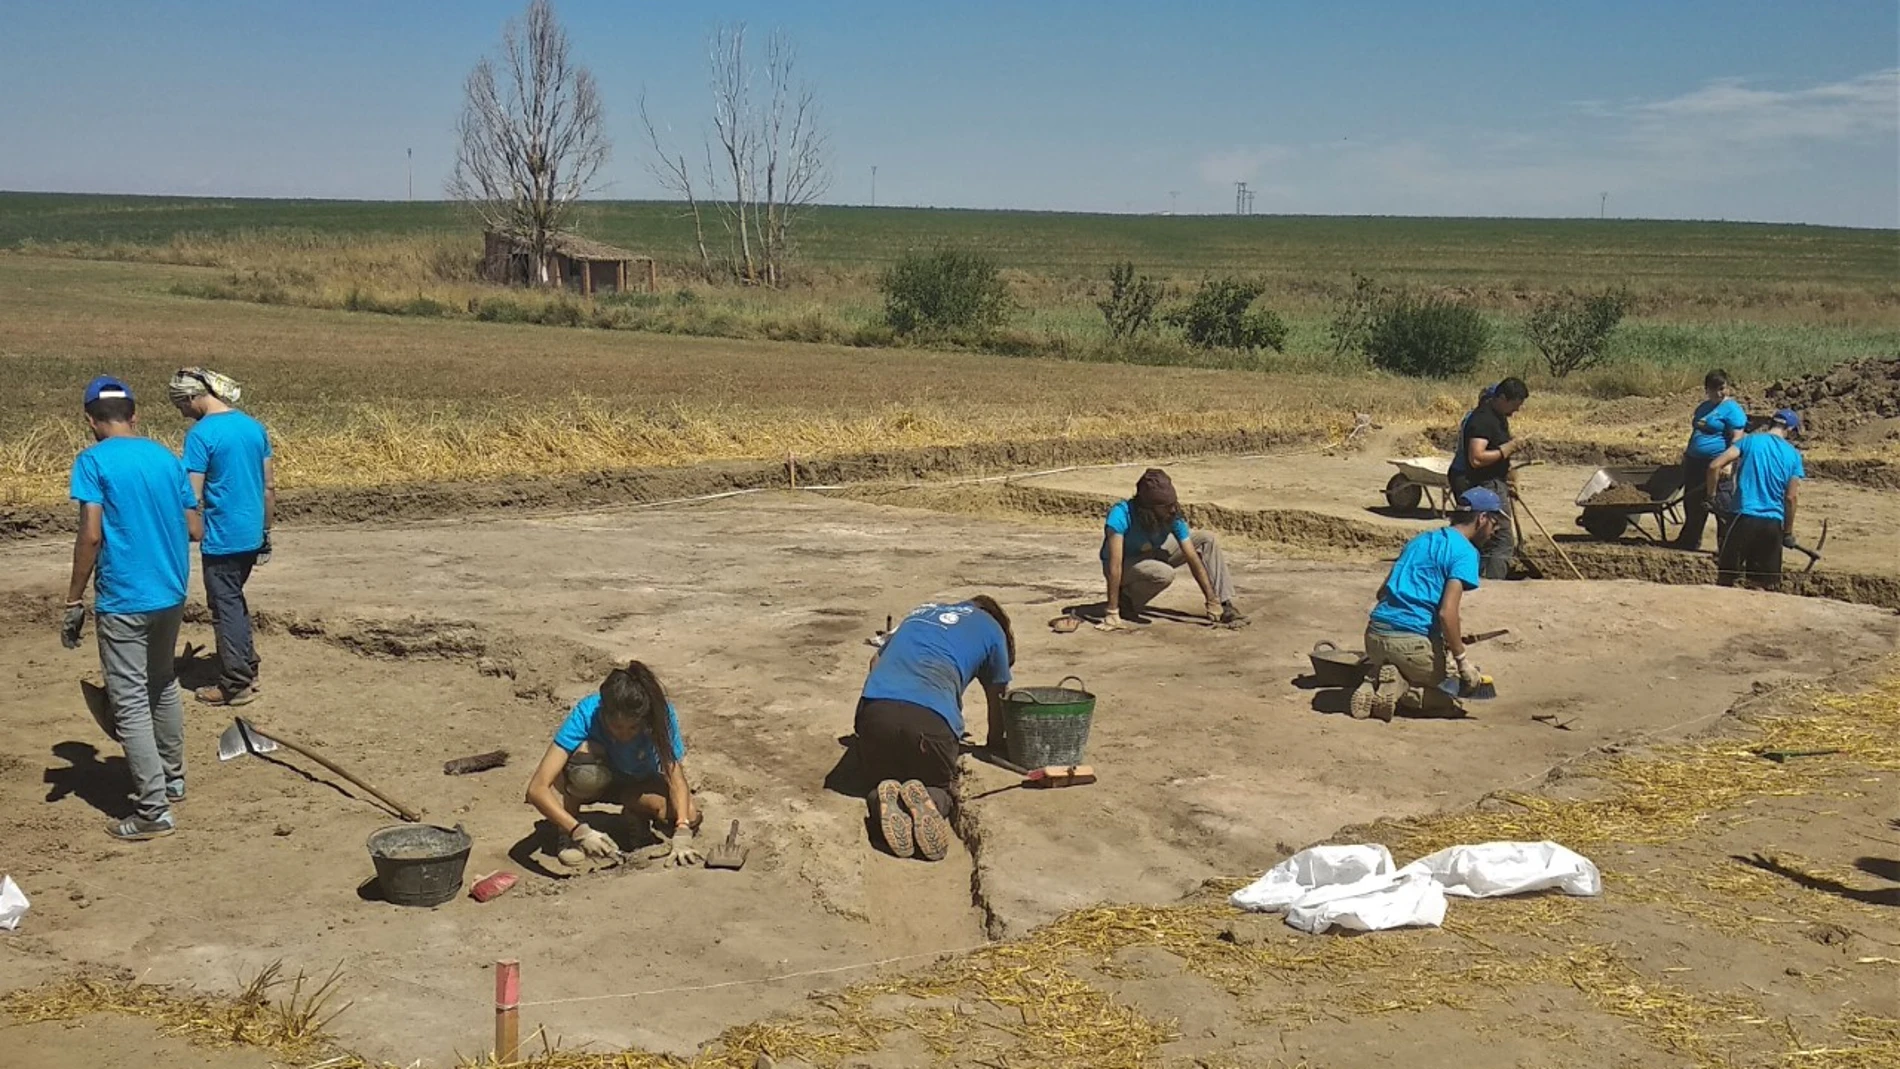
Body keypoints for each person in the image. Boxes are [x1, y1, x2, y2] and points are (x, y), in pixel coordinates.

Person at [61, 376, 202, 840]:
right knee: (162, 684)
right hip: (171, 592)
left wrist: (74, 597)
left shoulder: (93, 461)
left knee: (131, 702)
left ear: (90, 421)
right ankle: (173, 778)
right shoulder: (165, 457)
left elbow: (91, 534)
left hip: (125, 598)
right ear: (134, 414)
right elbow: (194, 527)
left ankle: (152, 810)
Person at [856, 596, 1014, 861]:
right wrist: (995, 742)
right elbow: (997, 692)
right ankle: (931, 797)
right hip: (931, 721)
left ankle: (880, 798)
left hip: (876, 714)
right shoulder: (991, 628)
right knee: (941, 787)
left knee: (878, 779)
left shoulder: (922, 611)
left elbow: (874, 662)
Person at [524, 661, 702, 869]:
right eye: (617, 726)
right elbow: (537, 788)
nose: (625, 734)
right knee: (584, 756)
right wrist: (579, 831)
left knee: (689, 813)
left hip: (638, 782)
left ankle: (634, 813)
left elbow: (675, 777)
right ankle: (568, 825)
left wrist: (682, 828)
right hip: (598, 778)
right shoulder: (587, 713)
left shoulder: (660, 715)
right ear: (603, 713)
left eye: (633, 727)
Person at [1348, 487, 1504, 722]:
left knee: (1400, 661)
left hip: (1375, 637)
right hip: (1412, 646)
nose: (1495, 530)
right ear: (1482, 519)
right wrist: (1462, 661)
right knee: (1448, 701)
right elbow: (1446, 613)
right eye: (1494, 523)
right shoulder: (1465, 552)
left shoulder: (1419, 541)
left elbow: (1383, 592)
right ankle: (1402, 691)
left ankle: (1374, 680)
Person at [169, 368, 274, 706]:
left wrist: (188, 529)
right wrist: (266, 530)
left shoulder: (201, 435)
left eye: (181, 406)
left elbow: (192, 494)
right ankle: (248, 665)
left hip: (223, 535)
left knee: (223, 606)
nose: (182, 414)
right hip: (252, 532)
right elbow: (268, 487)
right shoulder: (254, 427)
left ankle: (235, 683)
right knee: (234, 599)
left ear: (190, 398)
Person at [1096, 468, 1245, 630]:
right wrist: (1112, 611)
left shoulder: (1171, 513)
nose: (1172, 510)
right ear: (1148, 508)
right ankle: (1126, 600)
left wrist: (1211, 599)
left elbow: (1191, 556)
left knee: (1206, 539)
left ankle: (1224, 604)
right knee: (1163, 573)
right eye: (1166, 507)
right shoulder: (1120, 514)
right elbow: (1114, 565)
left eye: (1173, 504)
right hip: (1125, 566)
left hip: (1152, 555)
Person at [1707, 409, 1805, 592]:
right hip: (1772, 524)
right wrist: (1787, 532)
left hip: (1742, 518)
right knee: (1762, 586)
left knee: (1726, 580)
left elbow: (1714, 465)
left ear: (1771, 423)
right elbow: (1791, 498)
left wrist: (1711, 497)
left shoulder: (1749, 441)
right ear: (1790, 429)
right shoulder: (1794, 456)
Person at [1446, 378, 1529, 580]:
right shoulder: (1482, 419)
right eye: (1514, 405)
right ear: (1501, 398)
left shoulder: (1498, 417)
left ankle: (1470, 575)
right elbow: (1476, 458)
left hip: (1492, 481)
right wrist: (1506, 449)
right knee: (1500, 538)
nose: (1515, 411)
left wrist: (1507, 477)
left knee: (1481, 536)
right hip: (1482, 483)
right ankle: (1493, 585)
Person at [1674, 369, 1747, 551]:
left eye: (1722, 388)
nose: (1719, 393)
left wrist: (1728, 463)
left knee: (1722, 503)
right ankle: (1690, 541)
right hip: (1695, 463)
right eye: (1715, 389)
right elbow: (1696, 433)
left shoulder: (1732, 410)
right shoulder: (1703, 408)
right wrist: (1687, 455)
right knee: (1693, 503)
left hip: (1717, 464)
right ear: (1707, 389)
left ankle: (1727, 546)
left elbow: (1737, 438)